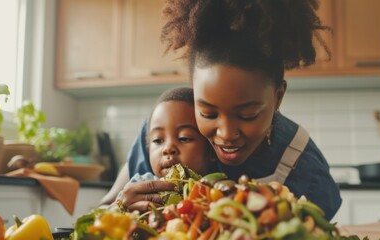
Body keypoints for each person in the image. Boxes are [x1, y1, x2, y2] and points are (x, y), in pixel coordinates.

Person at [102, 0, 342, 220]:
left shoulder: (302, 165)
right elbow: (102, 210)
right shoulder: (168, 130)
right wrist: (117, 209)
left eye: (247, 115)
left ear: (278, 97)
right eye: (208, 113)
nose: (226, 134)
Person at [100, 87, 217, 207]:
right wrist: (119, 208)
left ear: (212, 151)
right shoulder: (139, 185)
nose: (168, 148)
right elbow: (106, 211)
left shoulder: (217, 192)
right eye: (158, 140)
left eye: (184, 138)